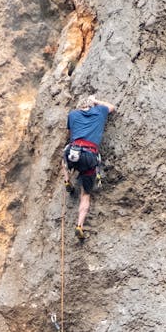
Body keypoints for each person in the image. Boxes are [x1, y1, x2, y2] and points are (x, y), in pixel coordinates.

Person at [62, 95, 116, 242]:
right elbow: (112, 107)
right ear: (92, 106)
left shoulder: (72, 115)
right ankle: (79, 225)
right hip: (89, 156)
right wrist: (97, 101)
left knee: (65, 154)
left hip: (73, 152)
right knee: (85, 194)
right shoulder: (99, 111)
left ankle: (67, 179)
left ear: (79, 106)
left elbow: (70, 134)